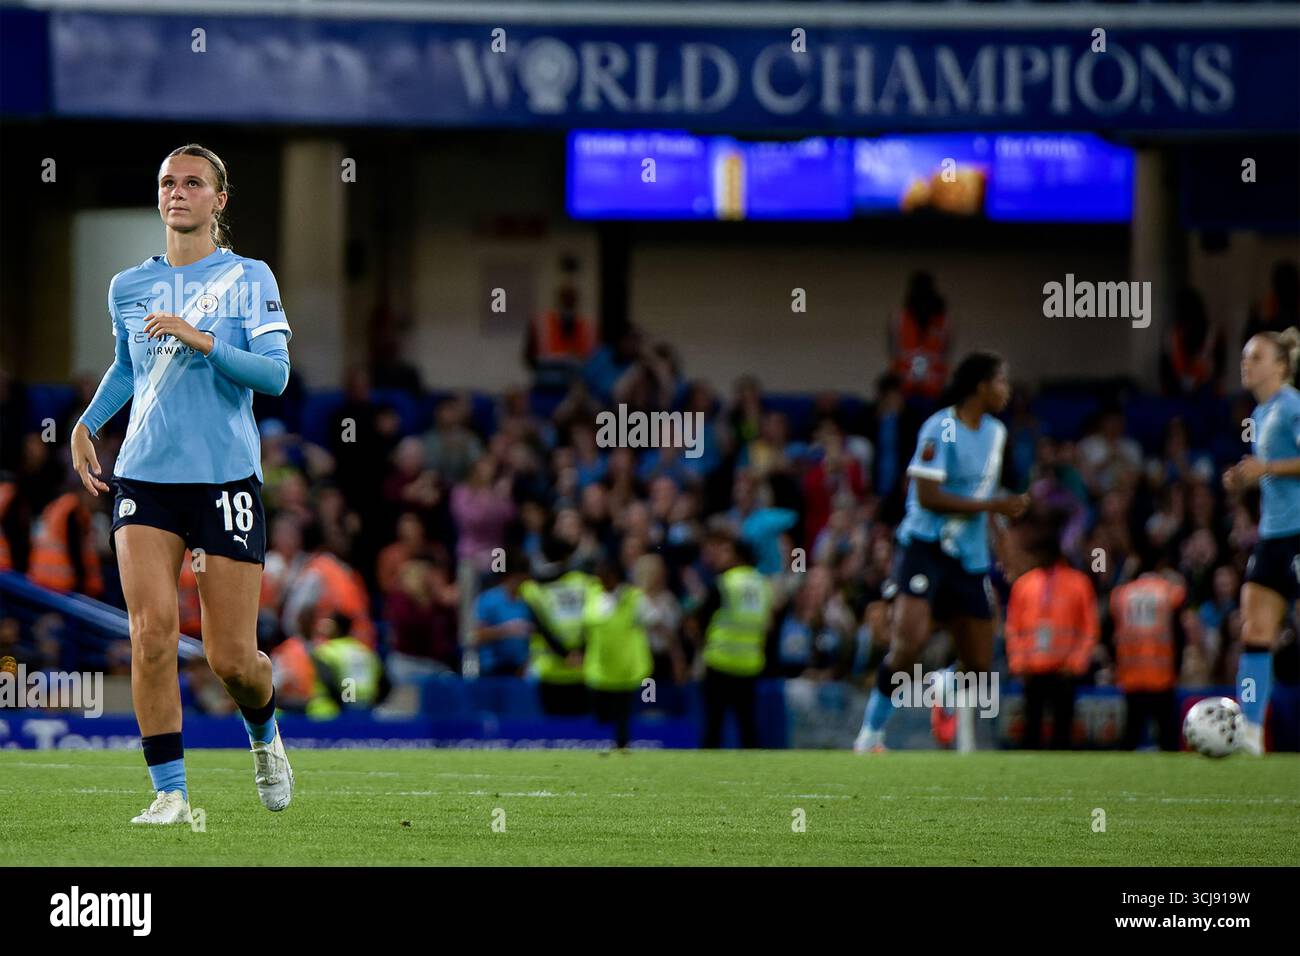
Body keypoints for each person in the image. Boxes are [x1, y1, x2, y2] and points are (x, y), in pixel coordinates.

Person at [70, 144, 294, 824]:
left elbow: (276, 376)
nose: (178, 192)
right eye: (168, 182)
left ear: (219, 201)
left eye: (193, 182)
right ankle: (170, 793)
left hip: (225, 476)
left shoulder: (249, 278)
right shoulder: (129, 285)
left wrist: (201, 340)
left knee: (232, 660)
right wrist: (87, 422)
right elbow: (129, 369)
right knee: (151, 633)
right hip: (146, 478)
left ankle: (264, 735)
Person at [854, 352, 1029, 753]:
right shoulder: (940, 427)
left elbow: (985, 493)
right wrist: (992, 508)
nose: (1006, 390)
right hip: (925, 546)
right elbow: (929, 496)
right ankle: (870, 734)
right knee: (908, 642)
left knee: (980, 666)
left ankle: (944, 685)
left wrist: (1003, 544)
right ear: (980, 386)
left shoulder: (996, 433)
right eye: (1001, 381)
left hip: (968, 557)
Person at [1221, 327, 1300, 755]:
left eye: (1256, 357)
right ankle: (1250, 732)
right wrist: (1245, 477)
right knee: (1255, 630)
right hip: (1272, 535)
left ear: (1281, 366)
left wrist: (1264, 466)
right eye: (1245, 357)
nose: (1246, 364)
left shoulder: (1292, 406)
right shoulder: (1261, 411)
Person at [1005, 518, 1098, 750]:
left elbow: (1089, 628)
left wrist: (1076, 662)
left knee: (1062, 733)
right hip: (1033, 669)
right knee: (1031, 732)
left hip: (1063, 671)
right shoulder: (1024, 585)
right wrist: (1018, 662)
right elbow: (1013, 627)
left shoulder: (1078, 583)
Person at [691, 526, 774, 748]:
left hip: (720, 660)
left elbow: (700, 620)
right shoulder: (763, 585)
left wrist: (700, 649)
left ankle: (705, 773)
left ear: (737, 556)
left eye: (725, 552)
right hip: (750, 663)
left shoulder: (724, 582)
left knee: (713, 725)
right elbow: (768, 624)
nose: (719, 556)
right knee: (747, 725)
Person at [1106, 553, 1187, 751]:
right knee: (1167, 735)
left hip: (1131, 674)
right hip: (1162, 675)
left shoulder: (1121, 594)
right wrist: (1177, 668)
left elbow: (1108, 634)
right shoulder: (1168, 592)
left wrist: (1116, 665)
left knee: (1131, 733)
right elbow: (1179, 635)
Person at [580, 554, 653, 749]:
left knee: (622, 716)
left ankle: (622, 751)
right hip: (599, 667)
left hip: (626, 667)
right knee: (601, 715)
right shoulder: (592, 594)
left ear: (616, 575)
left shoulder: (634, 597)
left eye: (606, 575)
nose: (602, 579)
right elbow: (585, 628)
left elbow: (655, 622)